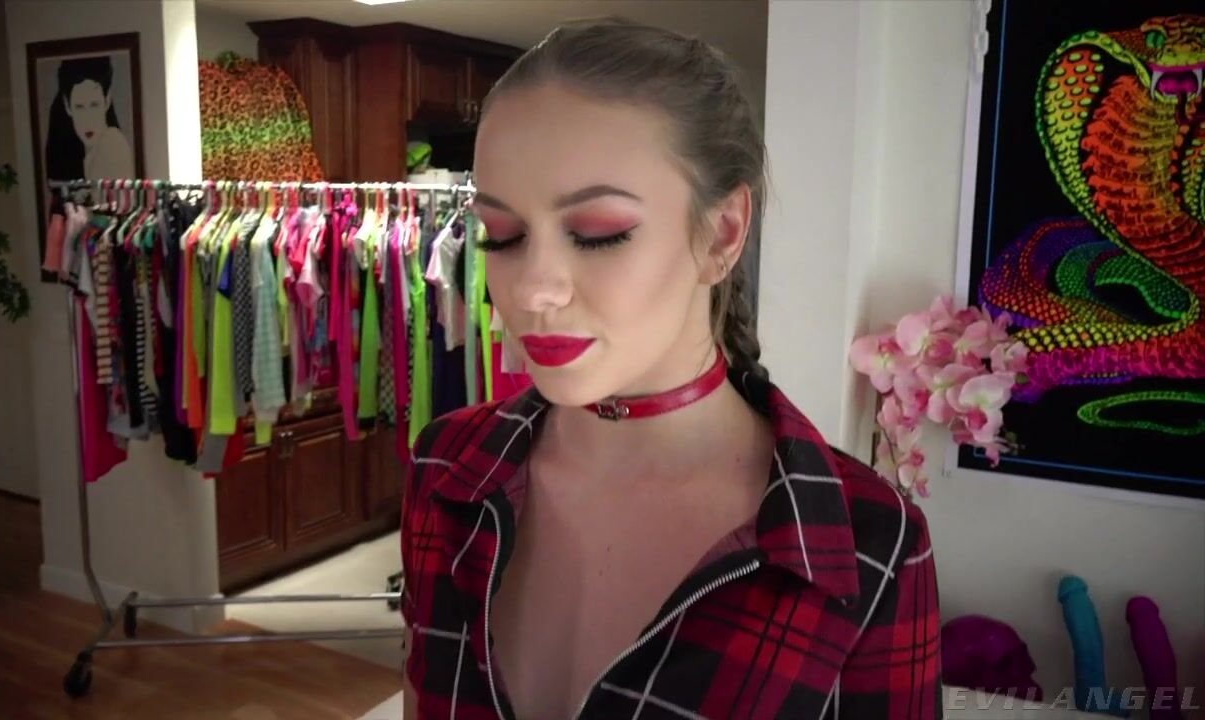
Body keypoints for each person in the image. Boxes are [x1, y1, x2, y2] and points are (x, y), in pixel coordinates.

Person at [400, 18, 941, 719]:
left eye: (598, 235)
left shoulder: (866, 542)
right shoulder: (447, 469)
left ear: (722, 234)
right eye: (502, 237)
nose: (533, 289)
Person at [45, 56, 134, 183]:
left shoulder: (112, 143)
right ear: (67, 106)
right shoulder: (83, 155)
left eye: (94, 105)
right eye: (79, 107)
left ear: (107, 100)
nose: (88, 121)